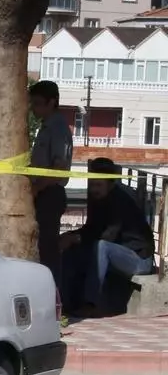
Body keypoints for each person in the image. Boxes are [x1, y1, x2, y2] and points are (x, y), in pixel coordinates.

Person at [60, 157, 157, 317]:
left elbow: (107, 237)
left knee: (100, 247)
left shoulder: (121, 202)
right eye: (92, 185)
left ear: (111, 184)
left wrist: (77, 239)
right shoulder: (100, 199)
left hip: (138, 260)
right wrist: (70, 236)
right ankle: (66, 302)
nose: (94, 189)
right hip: (116, 254)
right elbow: (91, 229)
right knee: (72, 249)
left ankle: (92, 304)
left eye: (99, 185)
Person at [29, 80, 74, 296]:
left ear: (52, 102)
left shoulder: (58, 128)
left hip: (49, 195)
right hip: (40, 194)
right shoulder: (44, 127)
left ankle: (55, 302)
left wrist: (37, 187)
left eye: (38, 104)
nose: (34, 109)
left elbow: (59, 168)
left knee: (48, 251)